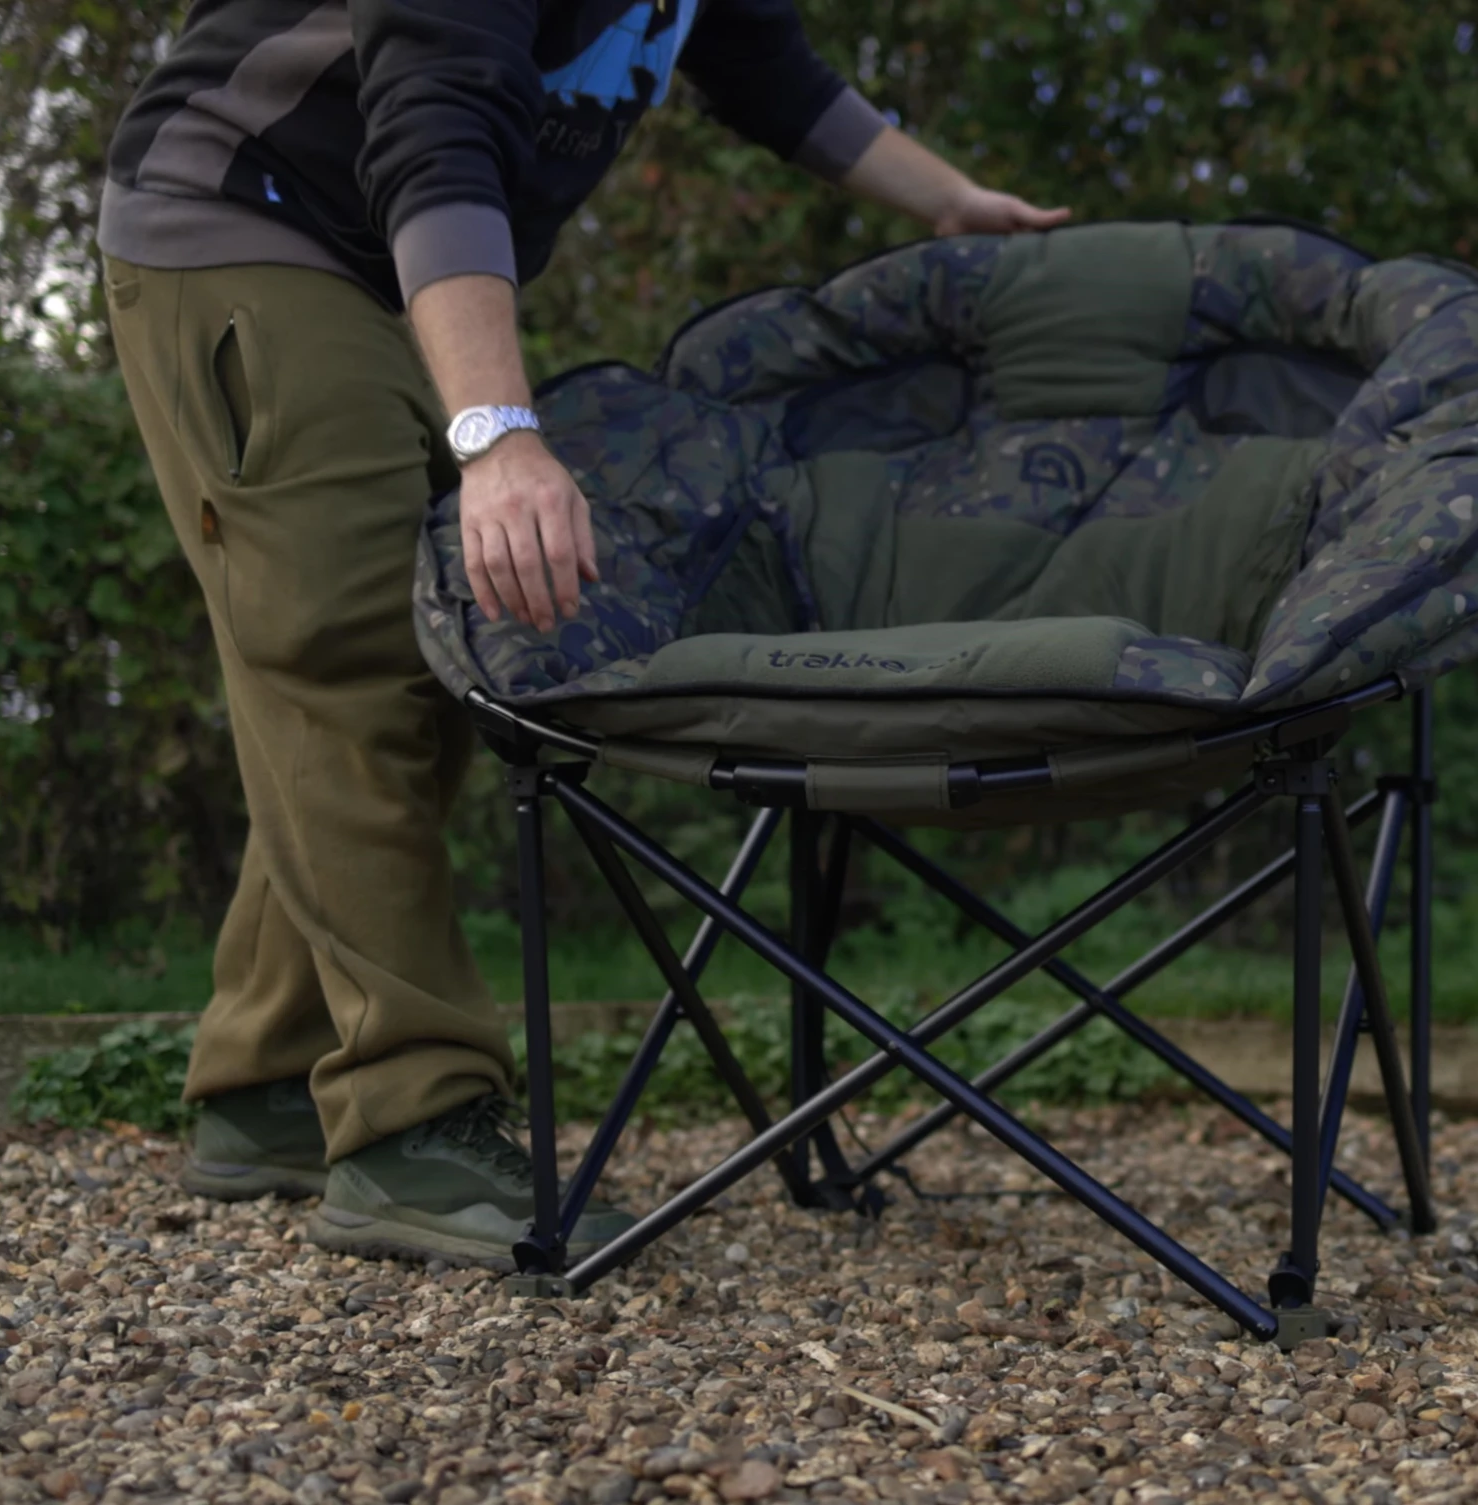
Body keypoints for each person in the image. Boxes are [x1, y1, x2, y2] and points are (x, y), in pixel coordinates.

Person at [97, 0, 1068, 1268]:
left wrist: (951, 202)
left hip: (369, 261)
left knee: (421, 658)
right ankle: (409, 1121)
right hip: (245, 222)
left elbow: (766, 70)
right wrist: (500, 437)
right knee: (354, 656)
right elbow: (435, 121)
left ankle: (269, 1079)